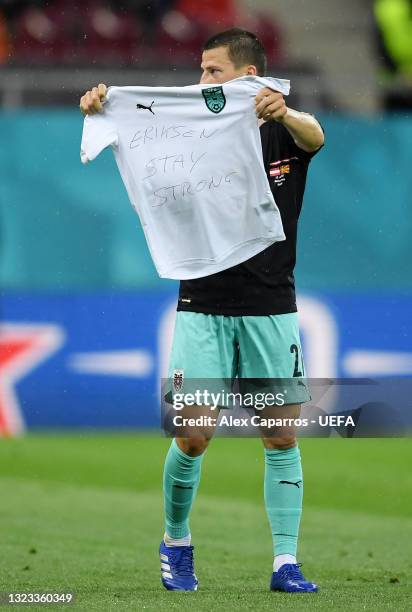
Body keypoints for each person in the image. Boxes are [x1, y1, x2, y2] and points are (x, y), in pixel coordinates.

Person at [79, 27, 324, 594]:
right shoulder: (190, 129)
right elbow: (141, 143)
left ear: (247, 76)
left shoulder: (284, 130)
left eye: (213, 71)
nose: (201, 81)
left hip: (270, 306)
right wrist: (103, 109)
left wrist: (285, 114)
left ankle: (286, 562)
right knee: (192, 435)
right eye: (201, 70)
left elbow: (315, 137)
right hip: (202, 304)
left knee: (281, 437)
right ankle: (176, 540)